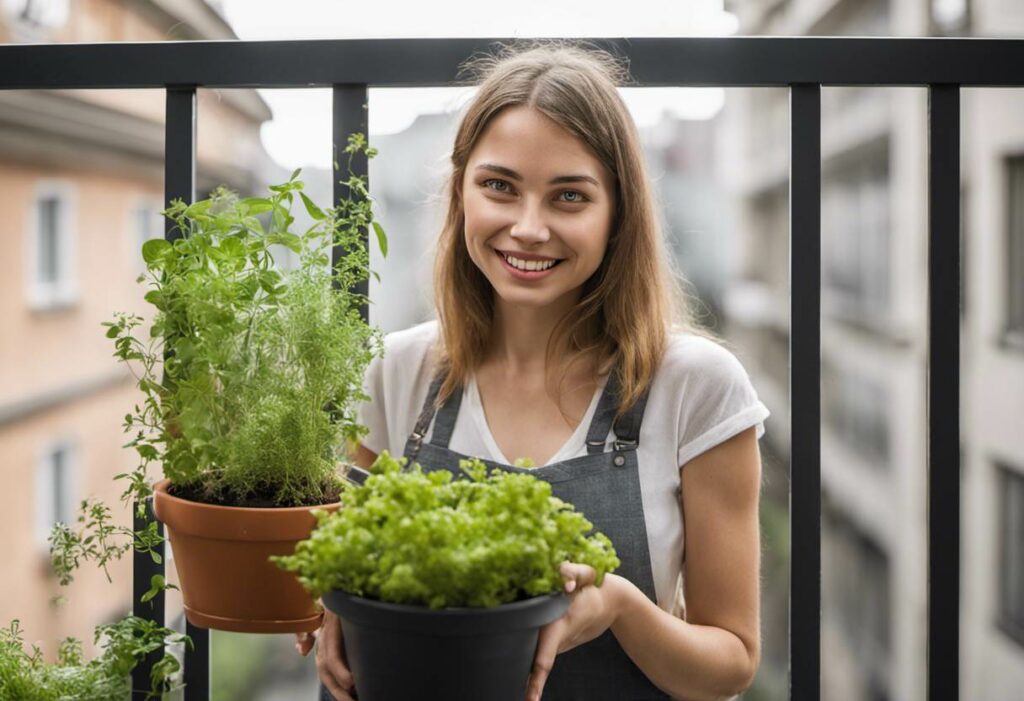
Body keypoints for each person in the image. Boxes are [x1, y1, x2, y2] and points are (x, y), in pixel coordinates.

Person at [296, 39, 770, 701]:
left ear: (618, 215)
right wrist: (331, 600)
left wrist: (621, 605)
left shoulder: (696, 386)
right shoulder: (398, 370)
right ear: (461, 191)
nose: (527, 227)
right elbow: (333, 567)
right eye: (499, 186)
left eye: (569, 197)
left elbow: (731, 661)